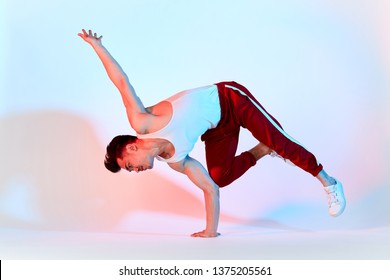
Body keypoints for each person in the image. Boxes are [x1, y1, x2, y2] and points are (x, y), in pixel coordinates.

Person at [78, 29, 346, 238]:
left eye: (129, 166)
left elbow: (122, 82)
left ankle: (328, 182)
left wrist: (97, 46)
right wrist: (210, 230)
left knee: (281, 140)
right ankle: (262, 149)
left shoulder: (143, 121)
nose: (134, 171)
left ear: (131, 147)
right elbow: (210, 188)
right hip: (219, 129)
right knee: (220, 175)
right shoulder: (176, 161)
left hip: (230, 100)